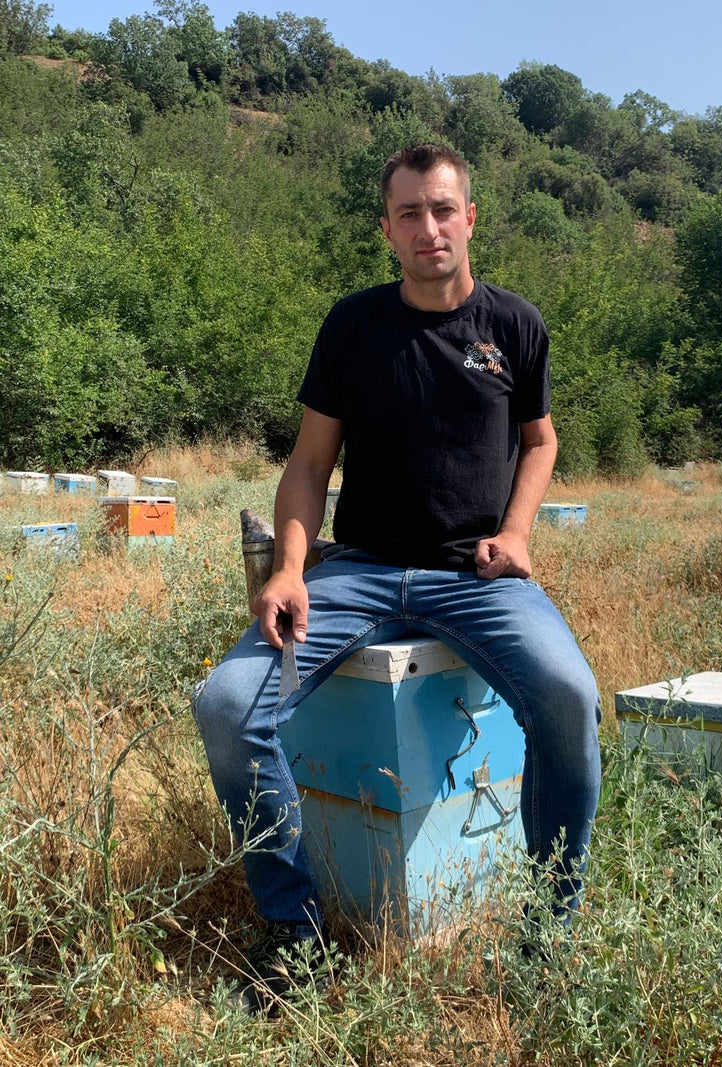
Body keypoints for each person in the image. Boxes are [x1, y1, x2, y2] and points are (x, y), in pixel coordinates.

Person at [192, 142, 601, 1013]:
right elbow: (308, 464)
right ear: (386, 228)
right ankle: (297, 944)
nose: (428, 227)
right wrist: (292, 570)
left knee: (568, 697)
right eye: (409, 212)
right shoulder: (352, 327)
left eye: (443, 208)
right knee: (227, 708)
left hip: (478, 575)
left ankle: (549, 936)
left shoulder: (515, 326)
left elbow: (541, 439)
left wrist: (518, 531)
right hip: (364, 570)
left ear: (470, 218)